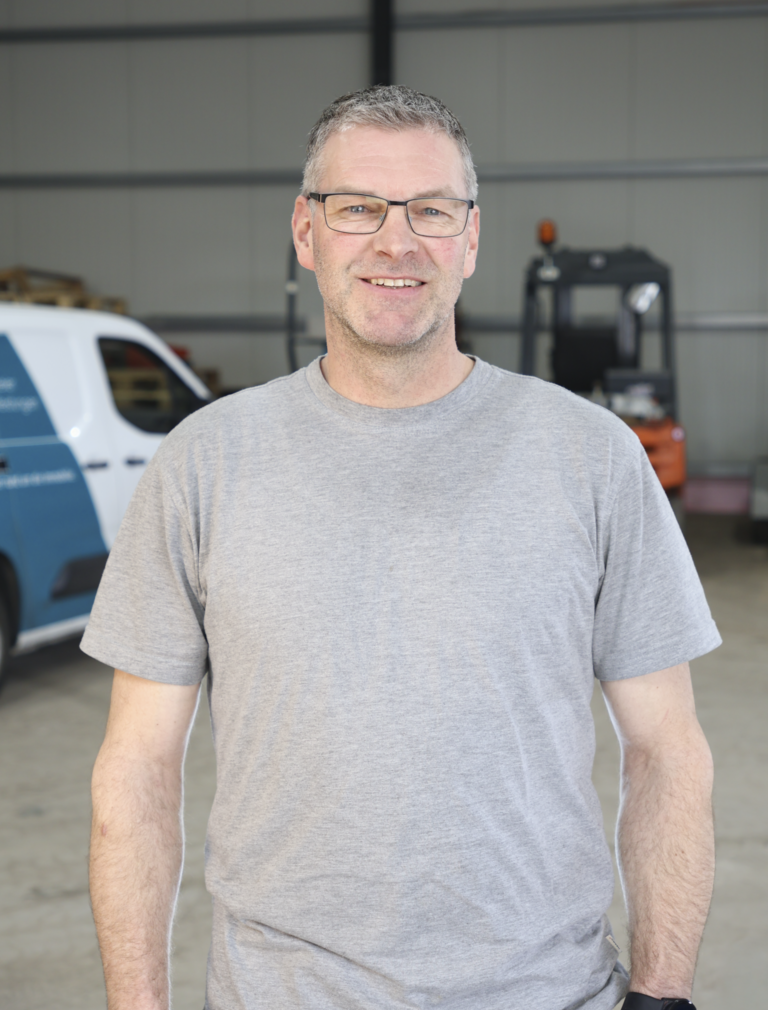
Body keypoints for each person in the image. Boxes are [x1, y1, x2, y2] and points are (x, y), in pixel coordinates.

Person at [85, 86, 720, 1010]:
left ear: (471, 237)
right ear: (306, 231)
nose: (397, 241)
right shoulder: (203, 464)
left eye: (431, 209)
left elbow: (667, 749)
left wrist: (663, 996)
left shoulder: (593, 458)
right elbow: (138, 768)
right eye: (358, 208)